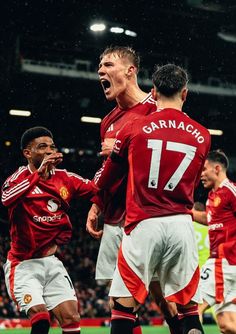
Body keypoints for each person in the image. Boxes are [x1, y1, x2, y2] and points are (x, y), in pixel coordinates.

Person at [92, 63, 211, 334]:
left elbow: (106, 179)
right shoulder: (202, 135)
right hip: (182, 225)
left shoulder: (134, 126)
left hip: (143, 223)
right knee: (189, 309)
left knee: (123, 307)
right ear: (184, 94)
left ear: (153, 92)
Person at [86, 46, 181, 333]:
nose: (101, 71)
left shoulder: (158, 107)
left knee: (160, 296)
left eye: (108, 65)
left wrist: (121, 149)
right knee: (121, 300)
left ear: (131, 70)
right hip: (116, 216)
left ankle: (183, 326)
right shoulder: (108, 121)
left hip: (148, 215)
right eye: (99, 66)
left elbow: (171, 155)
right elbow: (109, 169)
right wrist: (96, 202)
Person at [1, 126, 95, 334]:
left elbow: (98, 190)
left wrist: (112, 164)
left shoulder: (66, 178)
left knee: (72, 319)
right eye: (42, 147)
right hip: (23, 265)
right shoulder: (17, 179)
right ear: (28, 153)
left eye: (52, 147)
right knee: (41, 317)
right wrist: (38, 174)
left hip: (52, 263)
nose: (49, 151)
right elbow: (6, 199)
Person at [192, 150, 236, 334]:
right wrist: (185, 212)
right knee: (227, 325)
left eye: (204, 169)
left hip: (223, 261)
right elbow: (209, 219)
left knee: (192, 307)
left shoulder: (231, 191)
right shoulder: (212, 196)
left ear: (217, 169)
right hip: (224, 264)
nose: (201, 174)